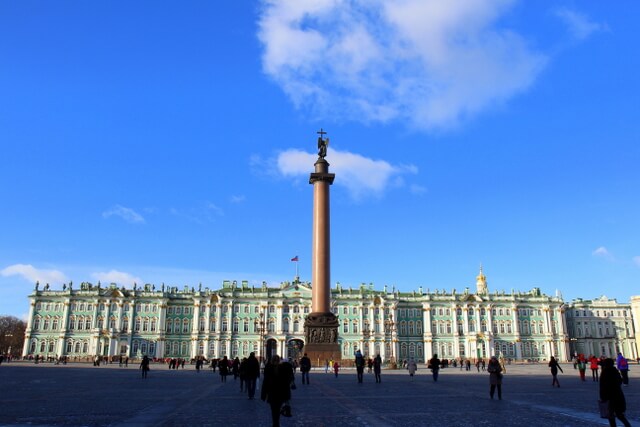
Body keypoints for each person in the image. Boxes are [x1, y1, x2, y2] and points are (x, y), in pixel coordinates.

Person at [261, 355, 294, 427]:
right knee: (278, 408)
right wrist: (287, 395)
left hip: (272, 393)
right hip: (281, 394)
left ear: (271, 360)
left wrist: (263, 394)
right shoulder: (283, 368)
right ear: (279, 360)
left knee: (274, 410)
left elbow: (265, 382)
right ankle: (277, 423)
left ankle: (275, 423)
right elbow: (286, 382)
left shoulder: (268, 368)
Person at [600, 358, 632, 427]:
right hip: (618, 395)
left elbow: (602, 386)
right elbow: (620, 381)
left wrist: (602, 397)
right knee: (620, 414)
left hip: (608, 397)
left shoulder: (604, 372)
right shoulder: (615, 371)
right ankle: (628, 425)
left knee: (611, 416)